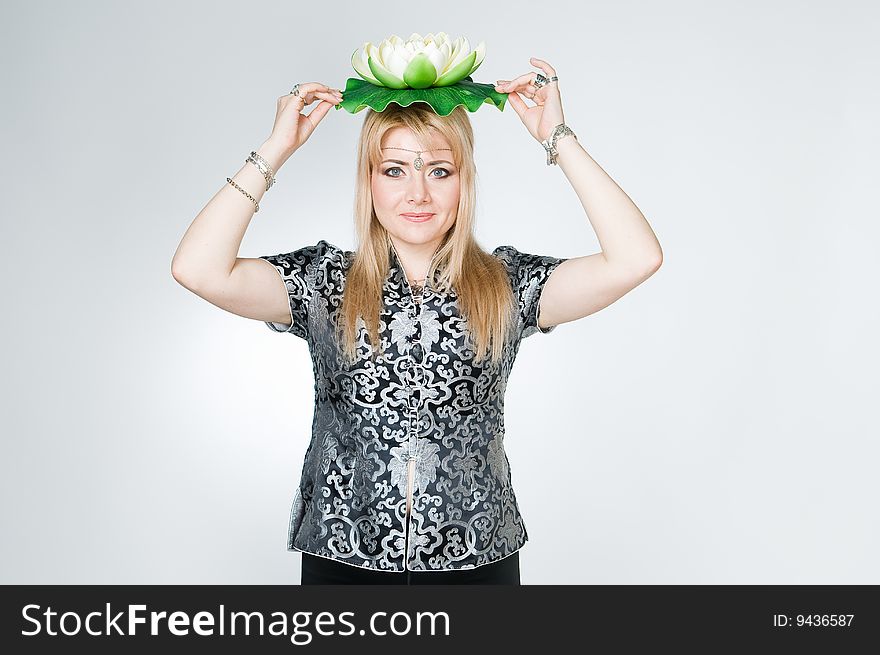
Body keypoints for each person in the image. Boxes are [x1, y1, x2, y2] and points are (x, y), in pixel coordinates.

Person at [171, 57, 662, 585]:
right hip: (343, 559)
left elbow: (636, 258)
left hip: (478, 560)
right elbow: (197, 269)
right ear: (370, 181)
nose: (418, 194)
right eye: (395, 170)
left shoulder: (506, 285)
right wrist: (275, 150)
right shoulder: (323, 283)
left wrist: (557, 137)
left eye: (440, 171)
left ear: (463, 180)